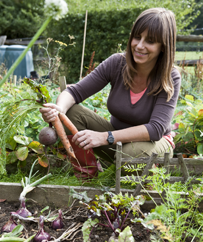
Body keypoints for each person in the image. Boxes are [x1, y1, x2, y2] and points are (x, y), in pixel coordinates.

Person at [40, 7, 181, 164]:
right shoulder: (117, 63)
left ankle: (128, 168)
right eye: (137, 37)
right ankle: (87, 172)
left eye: (150, 41)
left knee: (130, 153)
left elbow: (155, 129)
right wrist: (60, 110)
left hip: (153, 144)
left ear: (164, 46)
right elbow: (74, 92)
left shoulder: (170, 77)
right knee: (71, 112)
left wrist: (104, 137)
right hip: (116, 140)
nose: (140, 46)